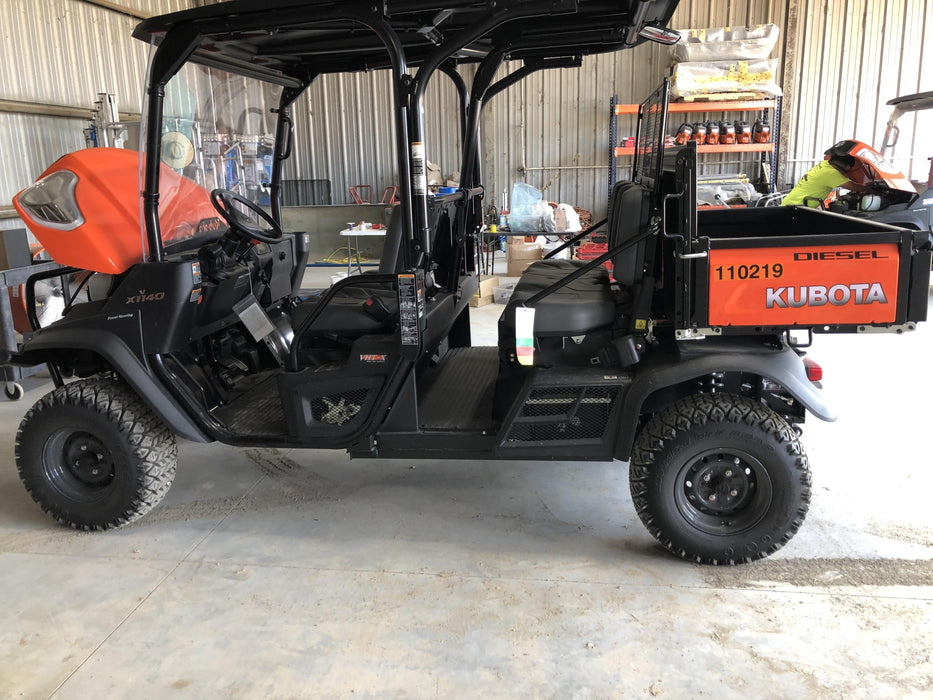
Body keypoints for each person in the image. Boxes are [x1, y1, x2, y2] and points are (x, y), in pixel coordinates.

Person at [782, 146, 870, 207]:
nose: (845, 173)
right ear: (842, 166)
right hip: (796, 207)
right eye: (846, 170)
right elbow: (853, 186)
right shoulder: (831, 173)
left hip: (791, 203)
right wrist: (870, 189)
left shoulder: (825, 164)